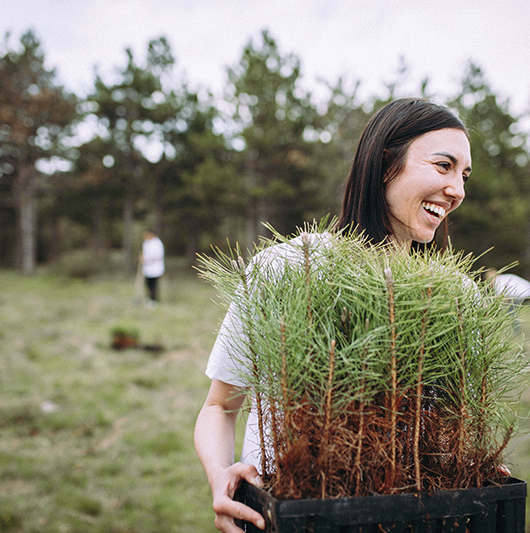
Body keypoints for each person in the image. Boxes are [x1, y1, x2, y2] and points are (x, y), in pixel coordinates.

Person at [194, 98, 471, 532]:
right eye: (443, 166)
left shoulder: (456, 295)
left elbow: (451, 428)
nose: (458, 190)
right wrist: (219, 478)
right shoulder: (289, 268)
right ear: (384, 165)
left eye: (464, 175)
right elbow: (219, 407)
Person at [140, 230, 165, 307]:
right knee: (147, 283)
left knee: (153, 285)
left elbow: (157, 255)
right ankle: (149, 298)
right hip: (147, 268)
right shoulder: (146, 243)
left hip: (155, 268)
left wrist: (146, 258)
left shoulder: (157, 243)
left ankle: (154, 300)